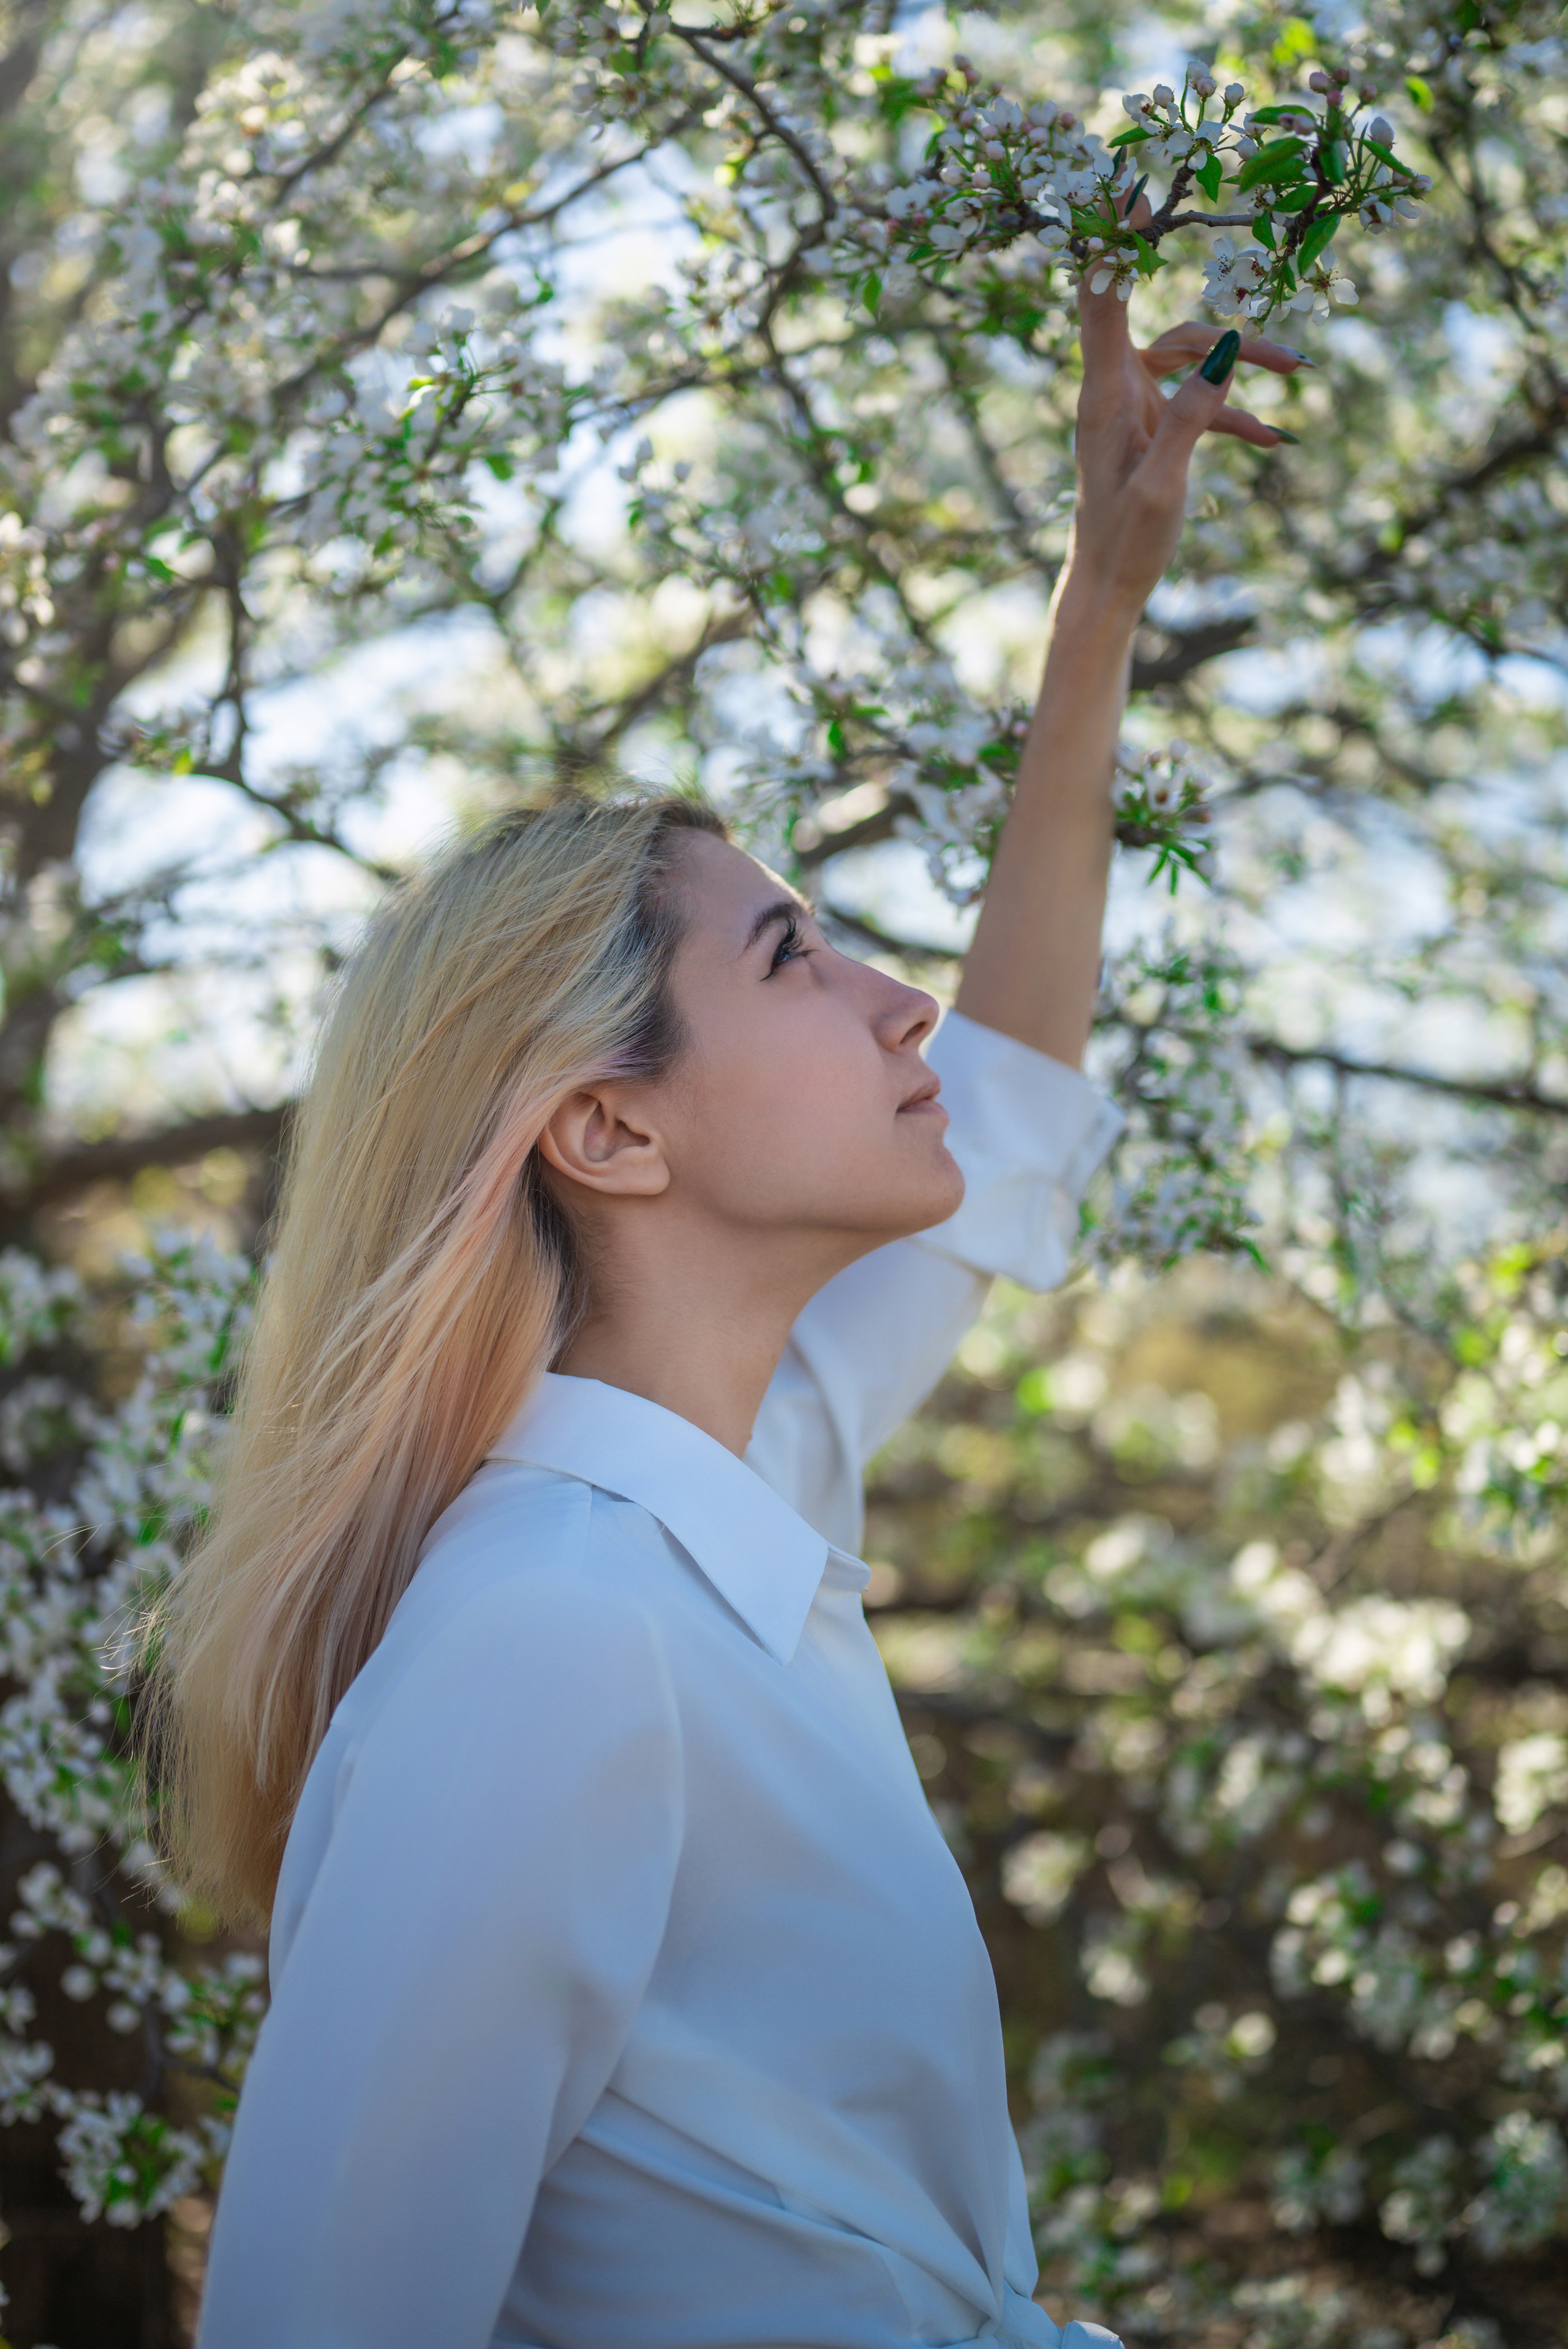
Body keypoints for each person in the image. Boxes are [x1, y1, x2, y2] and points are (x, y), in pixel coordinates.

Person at [157, 273, 1305, 2348]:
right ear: (606, 1132)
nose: (898, 997)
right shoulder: (550, 1646)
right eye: (792, 958)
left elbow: (1013, 1099)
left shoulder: (747, 1464)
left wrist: (1100, 603)